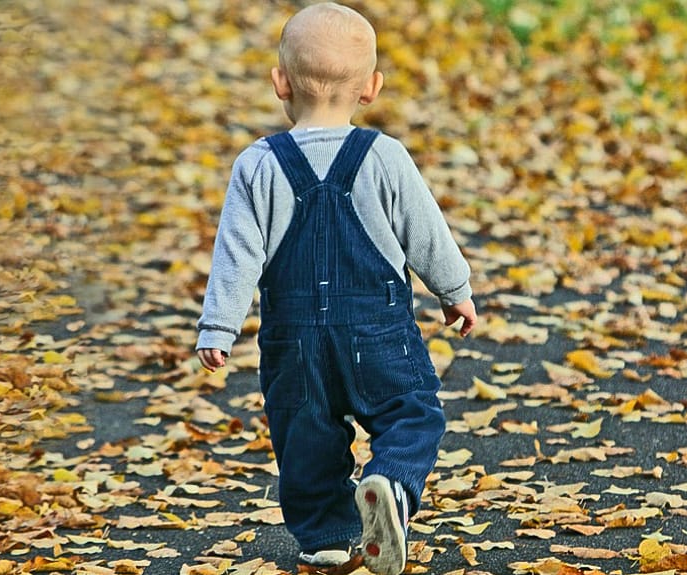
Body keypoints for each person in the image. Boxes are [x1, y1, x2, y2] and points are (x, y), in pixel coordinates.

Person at [195, 3, 477, 574]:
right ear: (371, 88)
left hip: (293, 341)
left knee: (305, 436)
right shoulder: (384, 156)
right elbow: (425, 232)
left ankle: (325, 535)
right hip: (377, 330)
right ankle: (391, 482)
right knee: (412, 413)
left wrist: (219, 326)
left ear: (280, 83)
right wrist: (455, 289)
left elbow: (237, 253)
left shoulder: (258, 165)